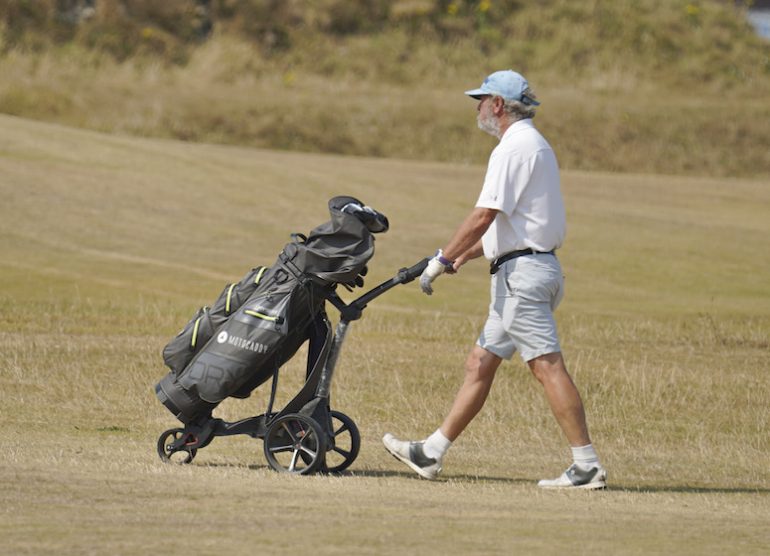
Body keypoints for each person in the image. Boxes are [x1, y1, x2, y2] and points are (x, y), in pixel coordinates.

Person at [382, 70, 607, 489]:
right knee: (480, 363)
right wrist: (460, 259)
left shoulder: (513, 148)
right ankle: (431, 451)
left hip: (522, 277)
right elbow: (511, 226)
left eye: (482, 100)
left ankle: (587, 464)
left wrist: (442, 257)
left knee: (546, 366)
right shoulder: (533, 144)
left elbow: (483, 215)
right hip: (528, 269)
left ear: (498, 105)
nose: (478, 107)